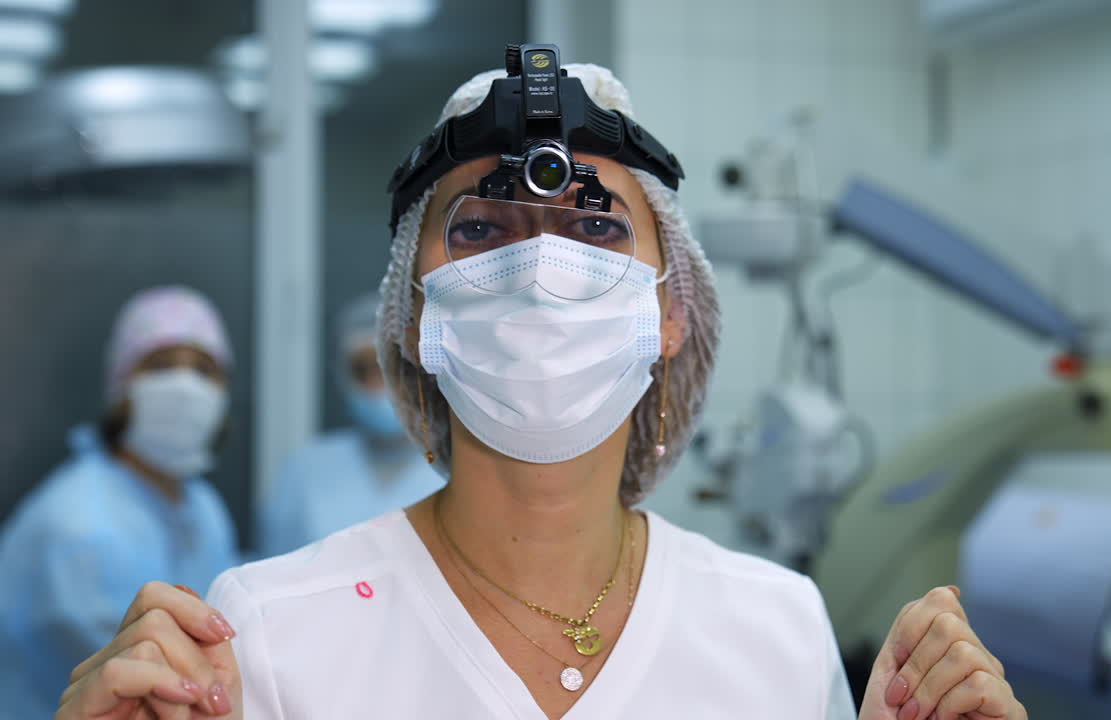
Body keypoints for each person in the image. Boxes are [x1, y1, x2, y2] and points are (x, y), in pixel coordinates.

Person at [55, 50, 1026, 720]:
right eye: (480, 229)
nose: (538, 272)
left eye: (596, 227)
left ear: (668, 310)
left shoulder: (774, 628)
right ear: (416, 315)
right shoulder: (269, 632)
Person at [0, 286, 239, 720]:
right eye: (160, 365)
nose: (185, 387)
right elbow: (148, 691)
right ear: (121, 385)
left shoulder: (202, 506)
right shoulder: (78, 527)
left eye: (204, 370)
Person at [258, 292, 446, 557]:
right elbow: (270, 571)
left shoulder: (455, 469)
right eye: (364, 369)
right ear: (344, 377)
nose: (380, 384)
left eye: (393, 368)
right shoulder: (308, 468)